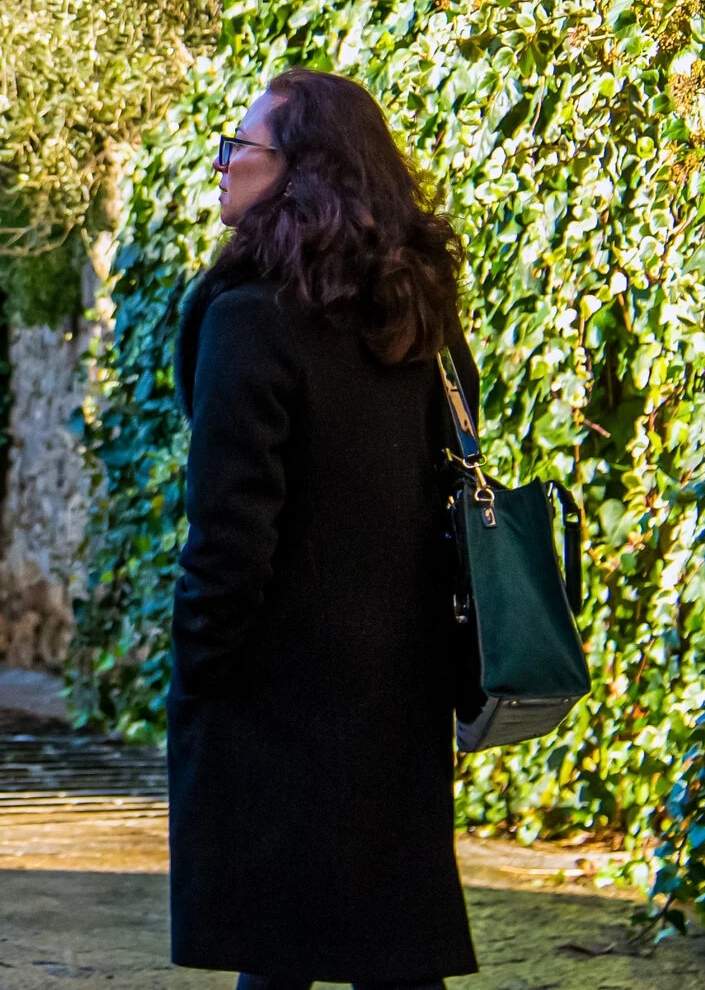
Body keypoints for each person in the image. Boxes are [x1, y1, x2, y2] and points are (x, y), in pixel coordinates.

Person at [169, 67, 479, 990]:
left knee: (280, 955)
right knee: (392, 958)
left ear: (302, 170)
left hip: (278, 697)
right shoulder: (421, 317)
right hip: (400, 691)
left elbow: (230, 534)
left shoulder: (250, 321)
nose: (222, 166)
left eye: (242, 148)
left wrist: (199, 668)